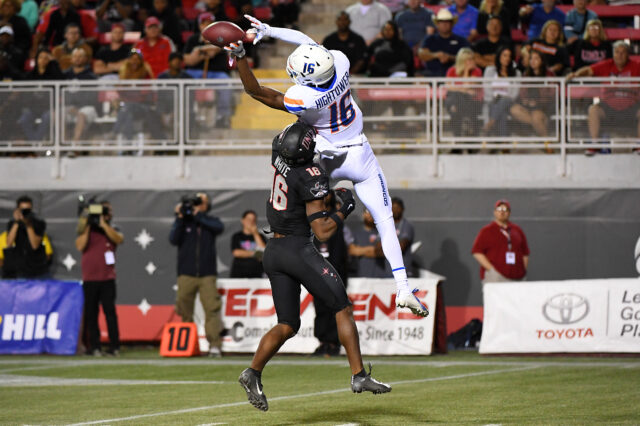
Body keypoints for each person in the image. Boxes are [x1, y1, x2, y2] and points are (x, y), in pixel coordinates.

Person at [225, 15, 428, 317]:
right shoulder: (341, 63)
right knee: (385, 221)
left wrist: (242, 56)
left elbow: (257, 92)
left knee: (290, 172)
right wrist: (270, 30)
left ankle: (281, 227)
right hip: (359, 154)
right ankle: (402, 286)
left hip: (325, 157)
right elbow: (308, 43)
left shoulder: (304, 97)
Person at [238, 122, 391, 412]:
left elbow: (291, 136)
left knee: (287, 324)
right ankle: (359, 375)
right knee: (342, 307)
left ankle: (252, 372)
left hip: (274, 251)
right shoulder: (311, 175)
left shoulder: (278, 153)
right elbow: (322, 231)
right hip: (297, 249)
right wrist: (343, 209)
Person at [169, 192, 225, 357]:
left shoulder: (209, 221)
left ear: (207, 205)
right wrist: (180, 217)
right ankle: (187, 343)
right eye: (196, 202)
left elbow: (219, 227)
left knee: (212, 309)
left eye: (202, 202)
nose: (199, 204)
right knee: (184, 309)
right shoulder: (184, 222)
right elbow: (173, 239)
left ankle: (214, 345)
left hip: (207, 273)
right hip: (186, 273)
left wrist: (197, 215)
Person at [568, 41, 640, 154]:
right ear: (613, 53)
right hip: (609, 107)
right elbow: (588, 70)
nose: (620, 55)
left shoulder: (636, 66)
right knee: (593, 110)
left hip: (631, 107)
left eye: (623, 52)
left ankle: (639, 145)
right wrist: (576, 74)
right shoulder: (606, 64)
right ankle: (595, 145)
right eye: (617, 52)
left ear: (628, 54)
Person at [75, 200, 124, 356]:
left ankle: (114, 346)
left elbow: (118, 239)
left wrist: (103, 225)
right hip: (89, 278)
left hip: (107, 278)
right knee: (91, 313)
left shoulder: (112, 228)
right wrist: (89, 224)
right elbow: (80, 246)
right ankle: (94, 346)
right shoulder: (85, 229)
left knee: (110, 312)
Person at [312, 189, 348, 357]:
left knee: (335, 308)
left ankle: (334, 343)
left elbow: (339, 250)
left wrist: (335, 271)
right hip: (317, 271)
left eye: (327, 195)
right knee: (320, 309)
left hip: (333, 270)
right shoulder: (314, 217)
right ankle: (323, 342)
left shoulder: (335, 218)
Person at [183, 12, 233, 128]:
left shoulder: (221, 38)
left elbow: (225, 50)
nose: (206, 26)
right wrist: (202, 53)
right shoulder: (193, 39)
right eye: (204, 23)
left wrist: (203, 50)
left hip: (217, 74)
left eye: (209, 23)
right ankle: (189, 114)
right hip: (195, 73)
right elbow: (187, 60)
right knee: (183, 79)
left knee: (226, 82)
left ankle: (223, 116)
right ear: (199, 25)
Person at [471, 199, 529, 283]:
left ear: (509, 212)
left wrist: (522, 270)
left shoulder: (517, 230)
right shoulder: (487, 231)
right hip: (497, 277)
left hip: (517, 277)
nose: (502, 212)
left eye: (505, 210)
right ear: (494, 212)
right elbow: (477, 251)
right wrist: (491, 270)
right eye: (499, 209)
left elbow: (525, 253)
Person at [510, 49, 555, 139]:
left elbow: (552, 94)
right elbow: (522, 93)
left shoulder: (549, 75)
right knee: (514, 110)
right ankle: (536, 125)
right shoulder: (526, 74)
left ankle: (547, 143)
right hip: (528, 105)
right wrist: (526, 101)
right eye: (531, 59)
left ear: (542, 61)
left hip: (543, 106)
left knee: (536, 116)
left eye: (536, 59)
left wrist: (537, 102)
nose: (532, 61)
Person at [2, 195, 49, 279]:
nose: (25, 212)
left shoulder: (38, 224)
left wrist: (28, 224)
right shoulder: (12, 224)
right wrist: (17, 222)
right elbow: (8, 243)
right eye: (23, 210)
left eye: (28, 210)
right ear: (17, 210)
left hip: (36, 269)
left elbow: (34, 245)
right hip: (19, 268)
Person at [418, 8, 469, 77]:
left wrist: (450, 57)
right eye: (441, 21)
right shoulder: (430, 39)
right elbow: (421, 54)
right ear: (437, 24)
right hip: (431, 73)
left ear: (452, 24)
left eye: (447, 21)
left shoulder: (461, 40)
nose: (444, 24)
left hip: (455, 74)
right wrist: (436, 55)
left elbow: (468, 57)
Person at [482, 45, 520, 136]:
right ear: (499, 56)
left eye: (509, 56)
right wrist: (495, 98)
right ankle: (504, 142)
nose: (507, 58)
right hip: (492, 101)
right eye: (504, 55)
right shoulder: (490, 70)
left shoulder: (516, 73)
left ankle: (491, 123)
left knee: (504, 101)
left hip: (509, 102)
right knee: (502, 112)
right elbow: (486, 88)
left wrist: (501, 98)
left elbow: (514, 94)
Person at [445, 47, 483, 137]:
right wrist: (463, 90)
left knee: (455, 107)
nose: (472, 62)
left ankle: (458, 141)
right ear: (462, 61)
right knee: (455, 95)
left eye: (472, 59)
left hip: (472, 103)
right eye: (469, 60)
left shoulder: (477, 71)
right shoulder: (452, 71)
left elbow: (468, 85)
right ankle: (461, 138)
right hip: (457, 101)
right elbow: (448, 87)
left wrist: (466, 71)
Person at [345, 209, 389, 278]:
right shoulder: (356, 233)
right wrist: (372, 250)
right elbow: (352, 251)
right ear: (363, 214)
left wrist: (360, 250)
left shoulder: (382, 232)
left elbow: (382, 252)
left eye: (372, 212)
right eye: (367, 212)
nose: (369, 215)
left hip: (380, 276)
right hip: (362, 276)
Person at [322, 11, 367, 75]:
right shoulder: (329, 40)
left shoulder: (358, 39)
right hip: (333, 75)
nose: (342, 22)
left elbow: (361, 60)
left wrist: (349, 74)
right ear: (336, 22)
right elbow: (324, 59)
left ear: (349, 22)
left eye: (345, 20)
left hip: (354, 76)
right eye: (340, 20)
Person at [229, 210, 266, 278]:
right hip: (239, 274)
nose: (251, 222)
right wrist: (257, 254)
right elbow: (237, 252)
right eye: (248, 219)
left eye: (253, 220)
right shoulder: (237, 236)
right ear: (242, 220)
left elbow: (264, 252)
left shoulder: (260, 236)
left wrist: (255, 234)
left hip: (257, 274)